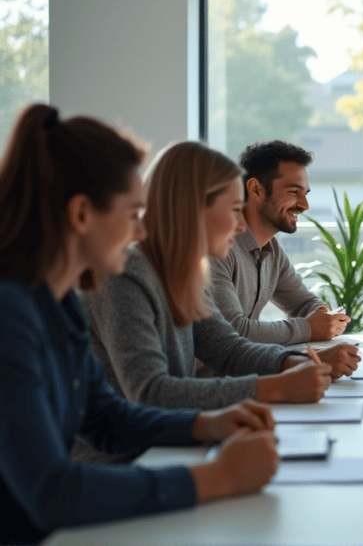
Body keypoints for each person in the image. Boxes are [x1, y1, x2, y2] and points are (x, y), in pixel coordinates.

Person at [0, 104, 279, 545]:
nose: (140, 233)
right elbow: (51, 492)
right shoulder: (10, 316)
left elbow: (105, 418)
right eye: (133, 215)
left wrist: (204, 424)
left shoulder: (57, 303)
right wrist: (214, 479)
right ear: (81, 215)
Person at [81, 141, 360, 418]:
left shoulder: (182, 273)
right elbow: (151, 393)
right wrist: (274, 387)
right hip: (129, 456)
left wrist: (294, 362)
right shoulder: (126, 275)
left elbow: (227, 349)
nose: (241, 226)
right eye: (234, 209)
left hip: (169, 439)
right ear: (194, 208)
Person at [208, 140, 349, 345]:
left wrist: (322, 317)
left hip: (242, 370)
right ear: (256, 189)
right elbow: (232, 331)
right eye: (293, 192)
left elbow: (305, 303)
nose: (304, 205)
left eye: (305, 193)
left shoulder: (271, 249)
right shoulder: (217, 247)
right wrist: (308, 328)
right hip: (204, 376)